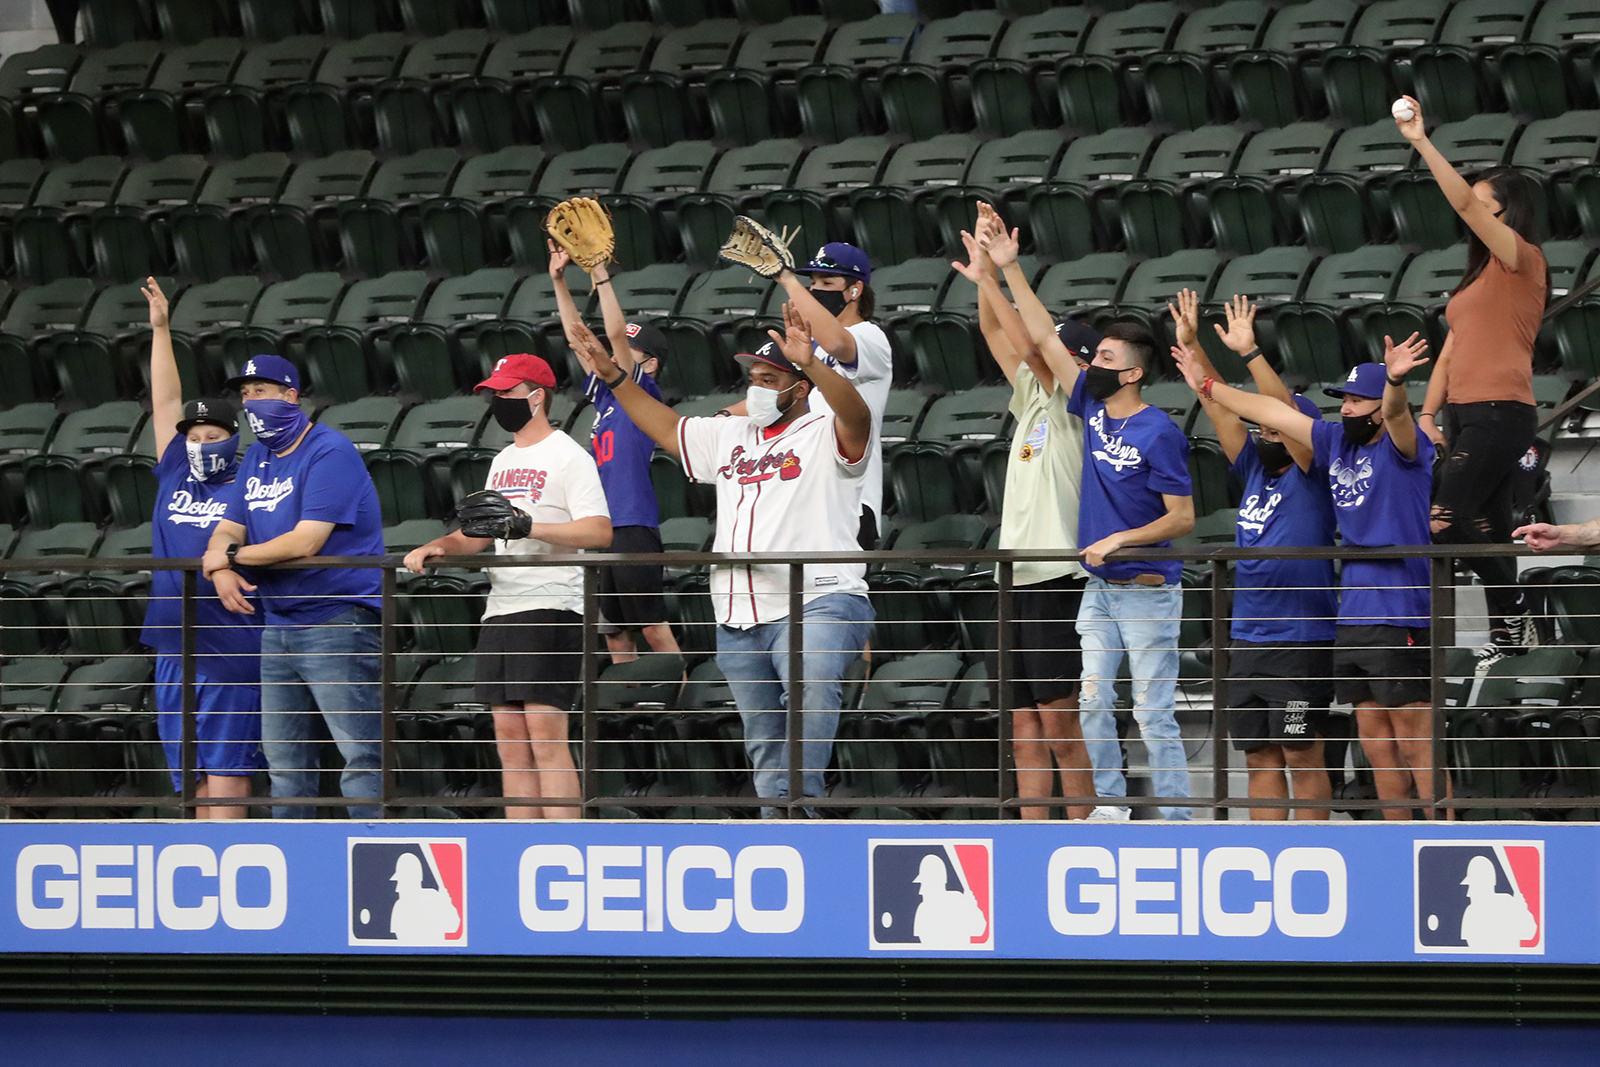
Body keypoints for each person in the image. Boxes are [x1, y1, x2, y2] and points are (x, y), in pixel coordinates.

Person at [568, 304, 875, 815]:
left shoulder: (826, 427)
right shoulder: (730, 435)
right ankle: (785, 825)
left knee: (809, 699)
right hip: (739, 611)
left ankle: (798, 813)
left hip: (819, 597)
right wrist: (616, 378)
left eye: (769, 377)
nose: (755, 386)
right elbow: (664, 427)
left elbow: (858, 416)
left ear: (799, 388)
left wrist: (816, 365)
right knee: (763, 737)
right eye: (752, 377)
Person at [1172, 343, 1447, 820]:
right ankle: (1401, 844)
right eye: (1343, 400)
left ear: (1379, 407)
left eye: (1357, 400)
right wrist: (1209, 385)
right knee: (1377, 744)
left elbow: (1398, 415)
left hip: (1400, 606)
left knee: (1414, 740)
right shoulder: (1336, 443)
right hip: (1353, 615)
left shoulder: (1405, 446)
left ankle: (1450, 840)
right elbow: (1268, 410)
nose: (1347, 408)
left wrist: (1397, 383)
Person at [978, 224, 1195, 821]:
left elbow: (1184, 518)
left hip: (1144, 587)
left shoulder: (1157, 429)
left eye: (1104, 357)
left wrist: (1122, 538)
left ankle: (1176, 821)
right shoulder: (1089, 409)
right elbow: (1040, 338)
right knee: (1093, 701)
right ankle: (1110, 811)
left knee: (1149, 710)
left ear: (1131, 373)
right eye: (1092, 355)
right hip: (1098, 584)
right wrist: (1001, 270)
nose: (1094, 362)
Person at [403, 353, 612, 819]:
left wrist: (529, 527)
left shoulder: (568, 455)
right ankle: (523, 852)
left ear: (537, 397)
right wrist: (441, 545)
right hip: (503, 605)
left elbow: (598, 531)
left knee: (546, 736)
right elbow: (479, 533)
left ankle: (563, 850)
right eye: (495, 394)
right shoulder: (503, 459)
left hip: (552, 603)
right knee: (511, 744)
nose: (498, 401)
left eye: (507, 392)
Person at [1168, 289, 1339, 821]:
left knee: (1301, 753)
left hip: (1300, 643)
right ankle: (1269, 857)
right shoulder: (1255, 471)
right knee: (1259, 757)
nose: (1266, 432)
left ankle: (1312, 857)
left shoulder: (1314, 476)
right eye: (1261, 428)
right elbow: (1222, 414)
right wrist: (1196, 355)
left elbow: (1282, 411)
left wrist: (1248, 354)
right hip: (1248, 642)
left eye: (1274, 428)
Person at [1397, 94, 1550, 667]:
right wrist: (1430, 416)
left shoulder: (1523, 259)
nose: (1476, 213)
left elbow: (1462, 203)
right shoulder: (1477, 278)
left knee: (1443, 519)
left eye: (1489, 206)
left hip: (1502, 410)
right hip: (1465, 413)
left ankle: (1516, 611)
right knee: (1484, 525)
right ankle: (1512, 640)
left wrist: (1420, 141)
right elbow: (1451, 350)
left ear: (1507, 213)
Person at [951, 206, 1093, 820]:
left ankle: (1086, 840)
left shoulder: (1081, 402)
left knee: (1062, 729)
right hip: (1013, 578)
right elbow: (994, 336)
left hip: (1058, 577)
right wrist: (983, 276)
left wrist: (998, 276)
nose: (1039, 349)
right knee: (1023, 729)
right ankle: (1033, 847)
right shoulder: (1034, 395)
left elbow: (1033, 343)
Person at [201, 354, 387, 819]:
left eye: (259, 392)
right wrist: (222, 566)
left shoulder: (329, 450)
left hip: (336, 617)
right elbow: (228, 527)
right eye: (244, 395)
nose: (250, 402)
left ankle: (374, 854)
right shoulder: (257, 457)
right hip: (278, 621)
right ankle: (297, 865)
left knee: (360, 754)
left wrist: (227, 557)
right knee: (284, 763)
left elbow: (307, 540)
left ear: (290, 396)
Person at [140, 278, 263, 818]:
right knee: (190, 785)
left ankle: (231, 881)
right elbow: (164, 399)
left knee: (228, 777)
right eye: (193, 436)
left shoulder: (253, 480)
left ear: (234, 439)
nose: (200, 444)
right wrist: (162, 330)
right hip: (173, 643)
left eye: (213, 436)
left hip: (231, 645)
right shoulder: (172, 470)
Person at [546, 240, 681, 665]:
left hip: (632, 523)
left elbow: (617, 336)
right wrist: (559, 280)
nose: (608, 351)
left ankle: (681, 708)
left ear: (651, 364)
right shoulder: (606, 399)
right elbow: (577, 340)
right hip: (602, 526)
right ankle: (634, 709)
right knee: (616, 634)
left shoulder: (642, 392)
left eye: (630, 353)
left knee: (653, 628)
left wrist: (600, 277)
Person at [723, 242, 893, 548]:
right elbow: (779, 394)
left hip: (850, 494)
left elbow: (838, 344)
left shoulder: (870, 337)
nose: (815, 291)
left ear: (855, 291)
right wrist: (722, 418)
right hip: (805, 488)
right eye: (811, 283)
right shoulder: (810, 348)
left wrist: (787, 280)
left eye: (827, 283)